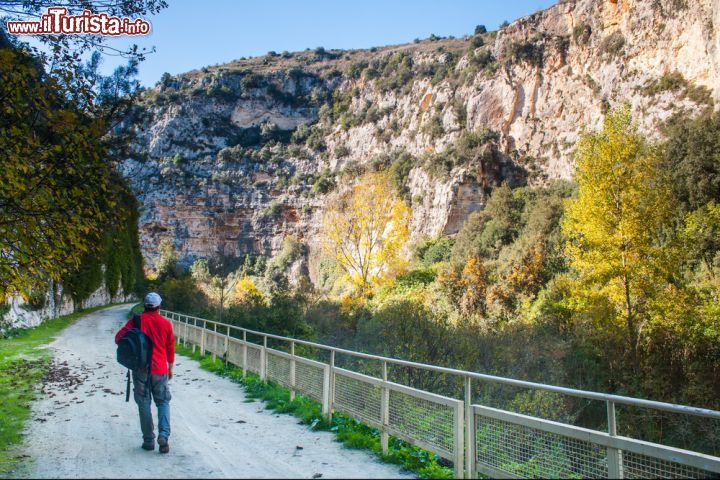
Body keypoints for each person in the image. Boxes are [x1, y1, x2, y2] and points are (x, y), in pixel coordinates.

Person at [115, 292, 175, 453]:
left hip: (140, 369)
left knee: (143, 403)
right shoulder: (166, 324)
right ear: (159, 306)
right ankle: (164, 436)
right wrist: (170, 368)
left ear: (144, 305)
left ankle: (148, 440)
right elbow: (170, 348)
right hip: (160, 370)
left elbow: (118, 338)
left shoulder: (136, 321)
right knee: (162, 402)